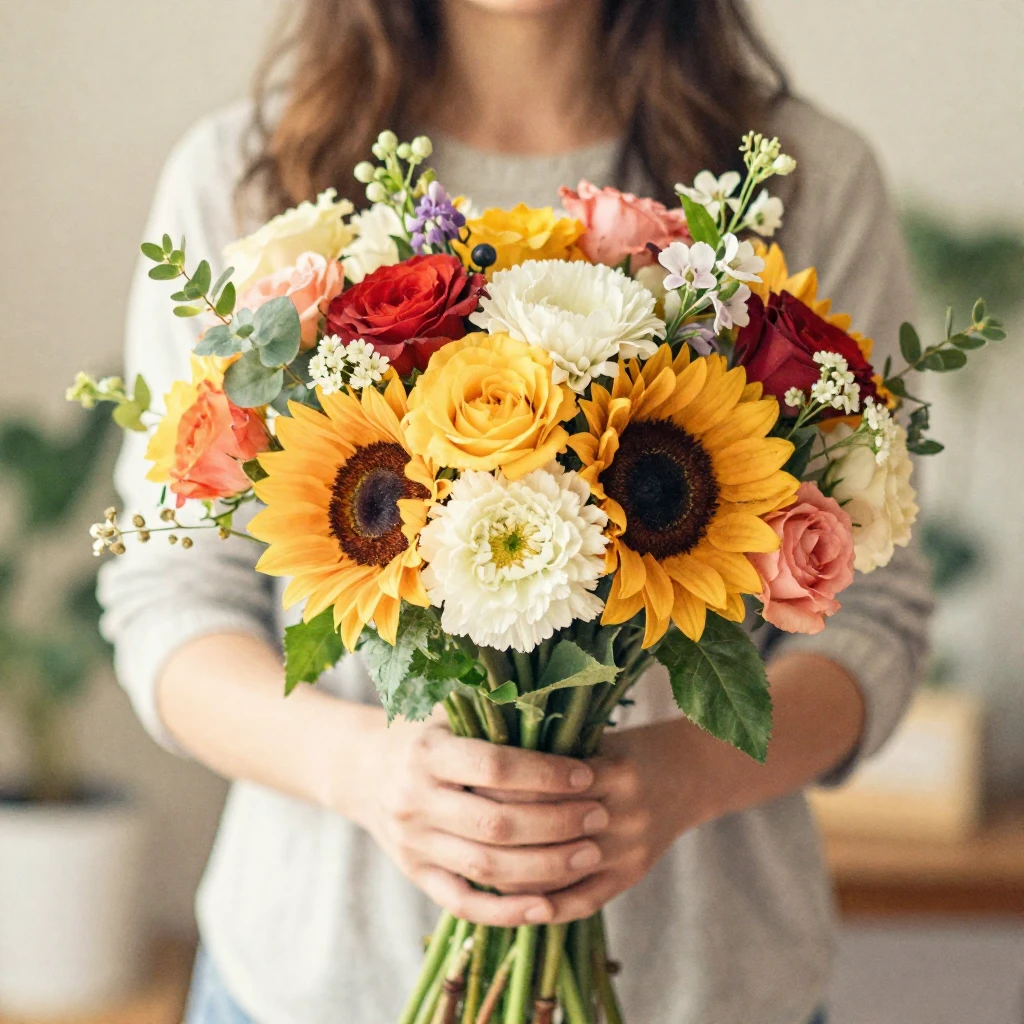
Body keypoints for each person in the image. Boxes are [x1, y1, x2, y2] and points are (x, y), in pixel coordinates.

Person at [99, 1, 933, 1021]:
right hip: (316, 982)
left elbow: (876, 615)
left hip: (708, 986)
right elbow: (171, 600)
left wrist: (684, 778)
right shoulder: (247, 177)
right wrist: (363, 768)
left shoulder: (807, 181)